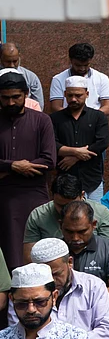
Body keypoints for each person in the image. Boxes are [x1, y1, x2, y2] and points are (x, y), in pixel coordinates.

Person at [0, 70, 56, 270]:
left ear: (25, 94)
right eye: (5, 98)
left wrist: (6, 169)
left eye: (16, 97)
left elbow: (49, 160)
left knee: (39, 252)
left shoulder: (42, 121)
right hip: (4, 196)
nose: (11, 103)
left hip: (35, 194)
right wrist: (14, 166)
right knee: (9, 254)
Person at [51, 76, 109, 202]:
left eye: (78, 95)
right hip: (65, 181)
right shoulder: (55, 119)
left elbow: (102, 143)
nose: (73, 99)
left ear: (87, 94)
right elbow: (51, 145)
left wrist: (75, 157)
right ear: (65, 94)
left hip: (92, 179)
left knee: (95, 216)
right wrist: (76, 152)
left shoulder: (98, 117)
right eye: (70, 95)